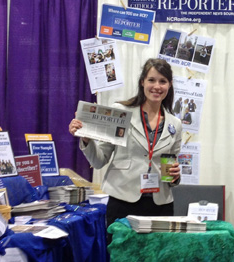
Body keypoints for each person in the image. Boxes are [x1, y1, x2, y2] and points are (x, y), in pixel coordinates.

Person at [69, 58, 182, 231]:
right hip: (123, 201)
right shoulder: (121, 113)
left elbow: (171, 167)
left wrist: (175, 176)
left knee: (157, 258)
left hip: (161, 205)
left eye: (163, 81)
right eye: (151, 80)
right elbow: (99, 161)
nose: (157, 86)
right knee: (123, 257)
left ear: (170, 85)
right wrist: (86, 138)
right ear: (142, 81)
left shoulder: (175, 124)